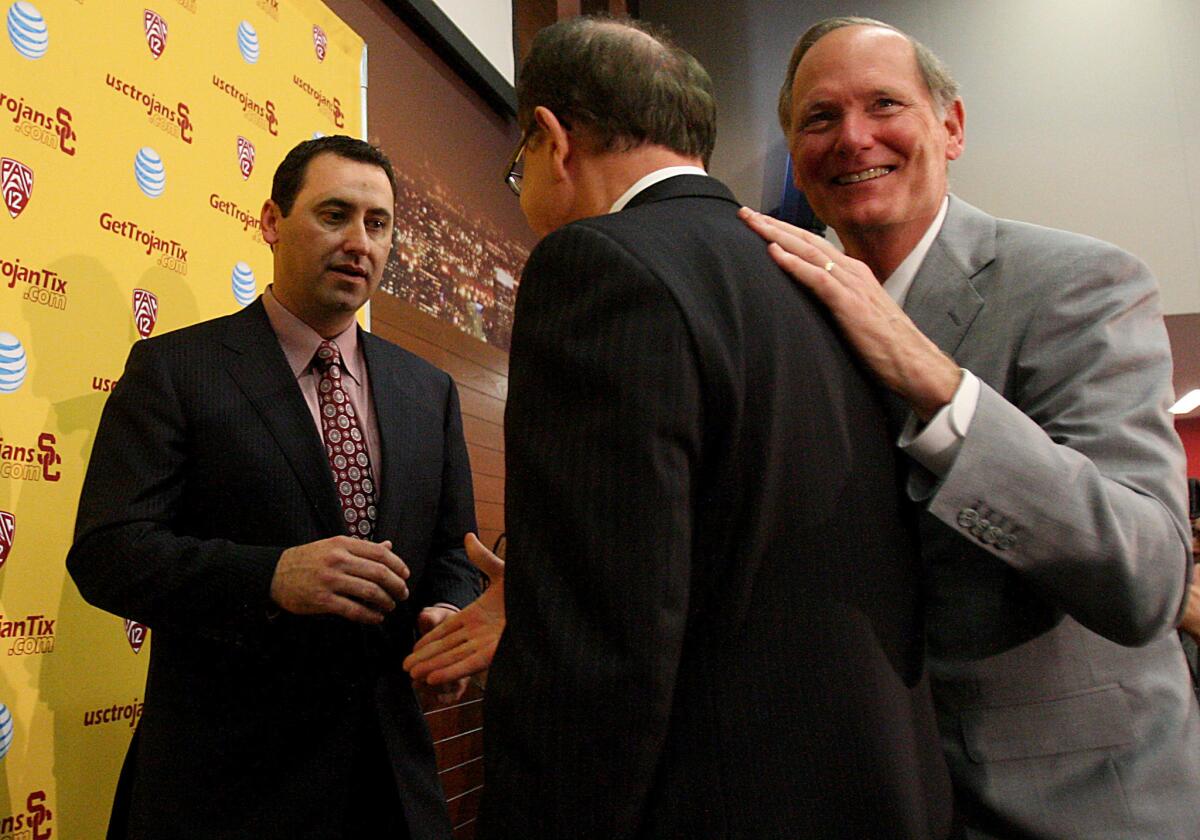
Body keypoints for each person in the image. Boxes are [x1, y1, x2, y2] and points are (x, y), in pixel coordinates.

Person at [416, 16, 956, 838]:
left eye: (517, 166)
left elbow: (599, 656)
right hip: (875, 792)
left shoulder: (598, 263)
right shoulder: (819, 277)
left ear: (552, 139)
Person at [739, 17, 1200, 838]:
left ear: (950, 128)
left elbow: (1147, 576)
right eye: (819, 118)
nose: (853, 138)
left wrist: (940, 388)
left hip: (1077, 806)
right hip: (858, 795)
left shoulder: (1084, 285)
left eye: (885, 104)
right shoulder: (772, 308)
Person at [67, 135, 480, 840]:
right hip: (226, 791)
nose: (359, 242)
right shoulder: (177, 369)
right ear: (270, 221)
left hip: (390, 788)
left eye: (377, 224)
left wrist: (447, 615)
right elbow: (108, 552)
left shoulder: (428, 390)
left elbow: (455, 552)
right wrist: (270, 577)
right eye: (334, 215)